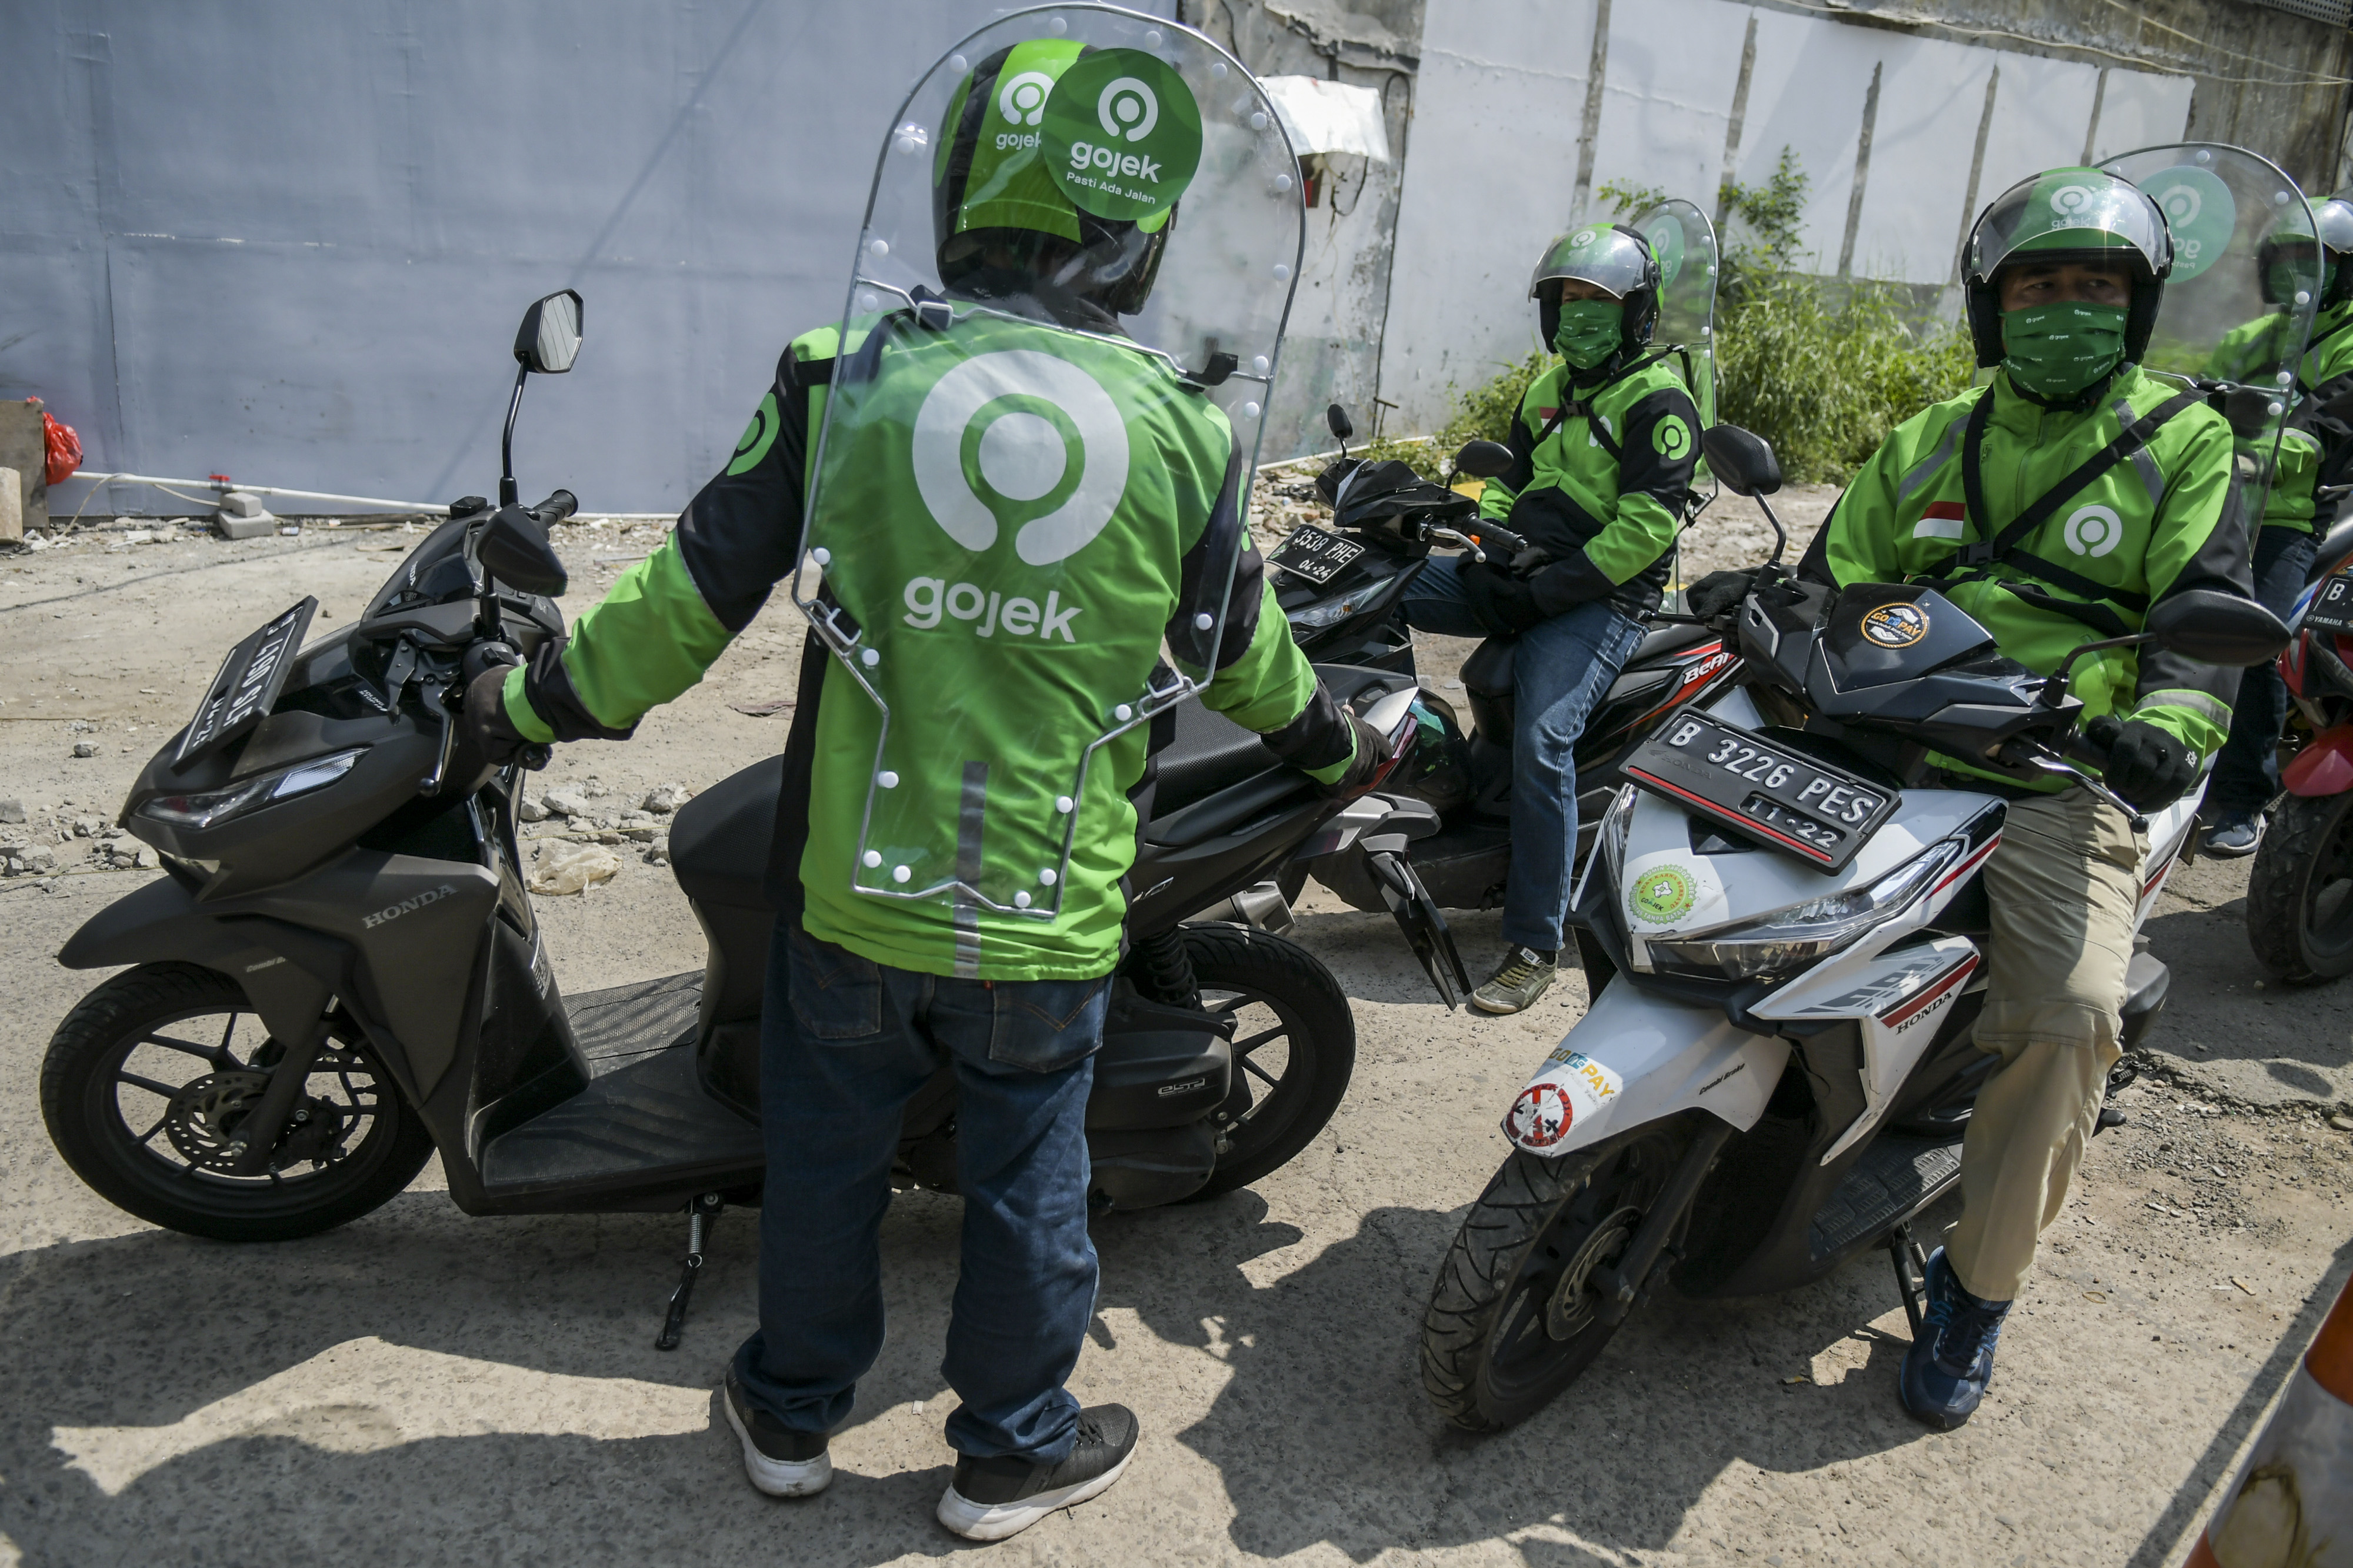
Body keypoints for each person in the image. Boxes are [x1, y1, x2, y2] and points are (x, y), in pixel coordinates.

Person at [461, 34, 1383, 1541]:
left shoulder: (848, 377)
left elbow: (687, 598)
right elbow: (1241, 660)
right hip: (1046, 902)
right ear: (1138, 230)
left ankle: (790, 1408)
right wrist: (1336, 747)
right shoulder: (1187, 430)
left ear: (958, 189)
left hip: (858, 889)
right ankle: (1008, 1445)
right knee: (1029, 1174)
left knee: (826, 1155)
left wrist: (532, 702)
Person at [1692, 166, 2251, 1429]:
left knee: (2063, 1016)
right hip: (1885, 723)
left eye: (2092, 287)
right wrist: (1761, 605)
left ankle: (1976, 1286)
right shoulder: (1932, 433)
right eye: (2038, 286)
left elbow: (2194, 631)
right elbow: (1838, 575)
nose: (2064, 305)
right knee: (1688, 853)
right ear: (1993, 307)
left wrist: (2159, 732)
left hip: (2058, 762)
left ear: (2135, 305)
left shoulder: (2183, 438)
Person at [1404, 223, 1700, 1014]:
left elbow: (1646, 529)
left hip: (1603, 596)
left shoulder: (1659, 400)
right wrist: (1484, 552)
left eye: (1599, 300)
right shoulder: (1545, 390)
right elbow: (1505, 484)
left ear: (1638, 311)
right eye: (1567, 299)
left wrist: (1544, 593)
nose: (1580, 314)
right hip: (1520, 573)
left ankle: (1534, 939)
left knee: (1543, 742)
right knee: (1382, 587)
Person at [2201, 196, 2353, 855]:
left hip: (2290, 514)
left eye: (2311, 263)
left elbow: (2325, 433)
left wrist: (2239, 447)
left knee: (2250, 636)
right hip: (2215, 497)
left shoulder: (2349, 342)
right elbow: (2188, 391)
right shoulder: (2249, 339)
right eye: (2285, 261)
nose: (2296, 276)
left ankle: (2241, 797)